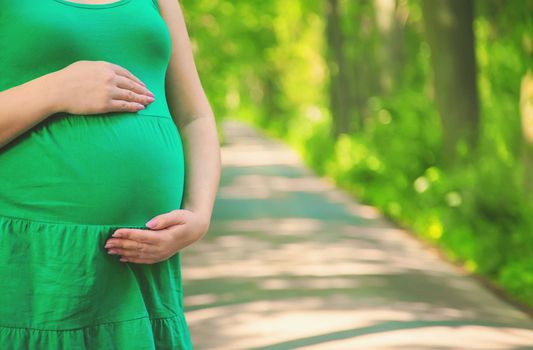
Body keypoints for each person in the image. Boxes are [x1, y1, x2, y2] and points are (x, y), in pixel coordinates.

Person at [0, 0, 221, 348]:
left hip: (140, 268)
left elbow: (195, 118)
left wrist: (199, 213)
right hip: (36, 265)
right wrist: (55, 90)